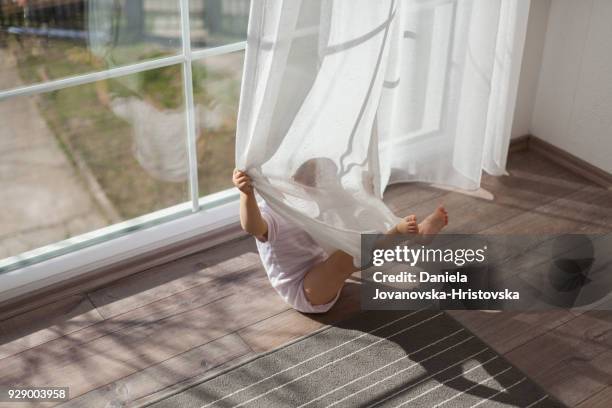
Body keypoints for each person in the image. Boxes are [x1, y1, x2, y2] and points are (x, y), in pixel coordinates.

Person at [232, 168, 448, 313]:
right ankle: (400, 237)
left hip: (324, 265)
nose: (306, 185)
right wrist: (246, 195)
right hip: (303, 290)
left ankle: (416, 236)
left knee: (355, 238)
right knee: (345, 258)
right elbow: (252, 227)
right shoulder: (269, 212)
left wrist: (362, 187)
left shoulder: (306, 201)